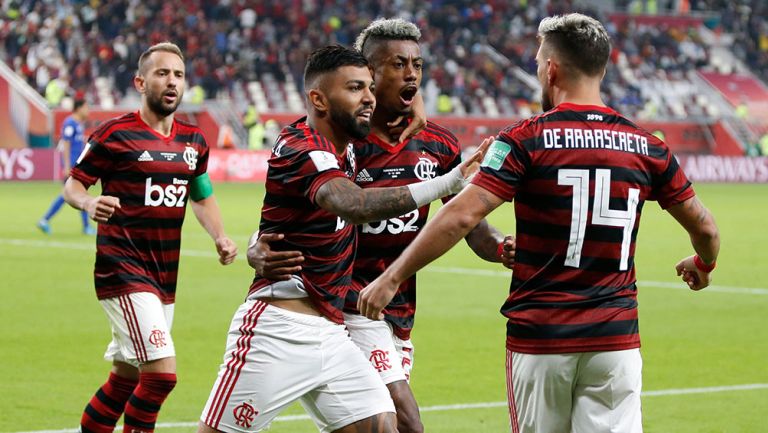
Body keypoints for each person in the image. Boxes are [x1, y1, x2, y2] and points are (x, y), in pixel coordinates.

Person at [358, 13, 720, 433]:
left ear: (550, 68)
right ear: (601, 67)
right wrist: (704, 264)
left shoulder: (525, 139)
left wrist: (392, 276)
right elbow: (706, 228)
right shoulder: (648, 146)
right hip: (616, 340)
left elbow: (461, 214)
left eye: (536, 63)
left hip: (542, 337)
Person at [198, 45, 489, 433]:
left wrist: (413, 103)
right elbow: (352, 204)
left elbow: (387, 83)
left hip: (333, 331)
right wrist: (444, 184)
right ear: (318, 99)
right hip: (278, 328)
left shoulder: (348, 144)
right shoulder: (301, 146)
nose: (367, 98)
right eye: (355, 89)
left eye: (369, 88)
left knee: (387, 426)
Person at [63, 42, 238, 433]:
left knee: (125, 377)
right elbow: (72, 186)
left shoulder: (193, 141)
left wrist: (220, 236)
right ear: (141, 82)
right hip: (122, 268)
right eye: (162, 73)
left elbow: (202, 195)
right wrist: (89, 205)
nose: (171, 81)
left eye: (178, 74)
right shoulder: (114, 134)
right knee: (161, 376)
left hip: (164, 275)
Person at [37, 99, 94, 235]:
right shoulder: (70, 123)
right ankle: (46, 220)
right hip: (72, 166)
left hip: (77, 165)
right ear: (78, 108)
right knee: (75, 194)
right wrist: (67, 166)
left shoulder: (78, 124)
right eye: (86, 107)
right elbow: (66, 144)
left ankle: (45, 220)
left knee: (75, 194)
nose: (88, 111)